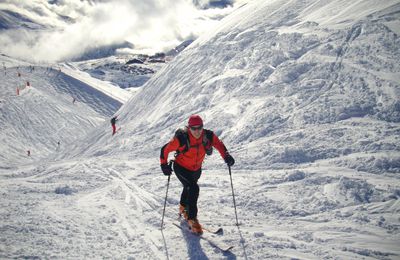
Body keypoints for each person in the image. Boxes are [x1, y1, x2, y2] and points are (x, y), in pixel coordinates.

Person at [160, 114, 235, 234]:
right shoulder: (182, 138)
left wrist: (226, 156)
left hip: (196, 169)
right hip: (181, 167)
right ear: (189, 128)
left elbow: (219, 144)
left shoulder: (208, 136)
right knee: (193, 187)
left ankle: (183, 207)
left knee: (189, 186)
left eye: (199, 127)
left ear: (202, 127)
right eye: (193, 128)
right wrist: (164, 165)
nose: (197, 131)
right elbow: (165, 149)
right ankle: (192, 218)